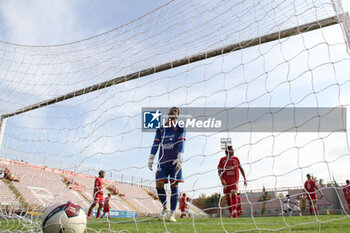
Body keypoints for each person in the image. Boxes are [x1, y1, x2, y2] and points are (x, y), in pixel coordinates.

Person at [148, 107, 185, 222]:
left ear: (177, 115)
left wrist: (180, 157)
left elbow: (181, 142)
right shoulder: (161, 128)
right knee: (159, 185)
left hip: (175, 161)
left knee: (174, 186)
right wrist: (151, 156)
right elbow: (156, 143)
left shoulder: (180, 127)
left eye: (175, 111)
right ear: (168, 114)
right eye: (171, 110)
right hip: (162, 162)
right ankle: (165, 208)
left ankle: (172, 214)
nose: (173, 111)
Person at [217, 145, 247, 218]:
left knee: (234, 193)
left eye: (233, 149)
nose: (233, 151)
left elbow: (241, 168)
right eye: (231, 150)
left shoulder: (236, 159)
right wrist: (222, 180)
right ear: (227, 151)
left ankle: (234, 211)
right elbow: (219, 170)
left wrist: (244, 179)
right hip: (226, 180)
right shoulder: (222, 160)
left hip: (234, 180)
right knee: (227, 196)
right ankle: (232, 213)